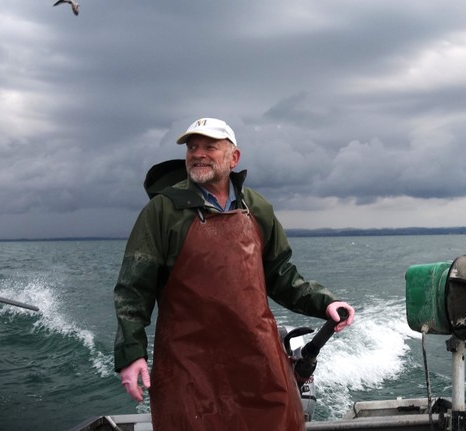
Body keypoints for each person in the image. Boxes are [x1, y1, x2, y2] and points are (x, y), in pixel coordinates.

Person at [113, 117, 355, 431]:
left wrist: (325, 303)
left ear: (234, 157)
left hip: (258, 361)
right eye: (192, 147)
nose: (197, 153)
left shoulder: (257, 208)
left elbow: (280, 274)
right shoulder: (162, 211)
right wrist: (132, 354)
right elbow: (133, 289)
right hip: (189, 366)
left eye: (209, 146)